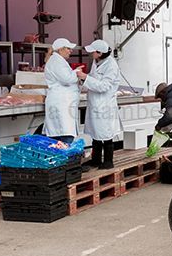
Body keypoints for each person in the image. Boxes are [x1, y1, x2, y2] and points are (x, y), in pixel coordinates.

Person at [76, 40, 121, 169]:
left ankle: (108, 161)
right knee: (95, 133)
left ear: (100, 53)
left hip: (105, 104)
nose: (91, 54)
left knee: (106, 134)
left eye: (93, 51)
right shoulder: (97, 63)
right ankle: (96, 160)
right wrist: (83, 78)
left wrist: (85, 77)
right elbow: (93, 78)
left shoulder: (111, 66)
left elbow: (104, 86)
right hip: (95, 103)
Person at [44, 38, 80, 144]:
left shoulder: (58, 61)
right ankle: (65, 160)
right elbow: (67, 79)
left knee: (62, 135)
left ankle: (63, 159)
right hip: (61, 104)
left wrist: (74, 72)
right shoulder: (56, 61)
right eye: (68, 48)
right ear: (60, 50)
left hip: (63, 103)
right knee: (65, 136)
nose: (71, 51)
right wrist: (77, 72)